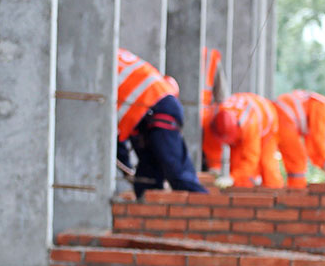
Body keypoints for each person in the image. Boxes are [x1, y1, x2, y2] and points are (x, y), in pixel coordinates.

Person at [115, 48, 207, 197]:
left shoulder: (98, 64)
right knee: (146, 183)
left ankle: (206, 210)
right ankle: (146, 215)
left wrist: (125, 166)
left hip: (156, 108)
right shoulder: (109, 55)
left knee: (178, 174)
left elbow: (110, 133)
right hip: (149, 110)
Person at [274, 88, 325, 185]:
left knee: (268, 157)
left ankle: (292, 191)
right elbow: (318, 137)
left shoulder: (320, 104)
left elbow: (311, 144)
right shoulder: (323, 107)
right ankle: (296, 193)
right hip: (284, 118)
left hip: (278, 116)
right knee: (298, 161)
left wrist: (323, 164)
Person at [203, 91, 286, 189]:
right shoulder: (212, 120)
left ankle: (274, 194)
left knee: (267, 167)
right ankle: (239, 194)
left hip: (267, 125)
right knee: (237, 166)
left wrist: (232, 178)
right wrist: (215, 170)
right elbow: (212, 148)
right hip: (243, 125)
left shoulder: (250, 124)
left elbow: (251, 159)